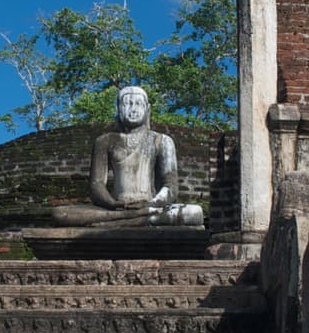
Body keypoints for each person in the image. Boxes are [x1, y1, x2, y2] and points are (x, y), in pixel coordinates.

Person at [50, 86, 203, 227]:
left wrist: (151, 203)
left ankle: (129, 219)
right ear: (118, 109)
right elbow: (97, 185)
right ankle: (133, 218)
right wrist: (112, 203)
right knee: (60, 213)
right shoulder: (105, 141)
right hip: (116, 207)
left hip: (151, 206)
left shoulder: (162, 141)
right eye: (127, 104)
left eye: (138, 104)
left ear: (147, 109)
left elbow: (171, 188)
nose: (133, 109)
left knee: (194, 213)